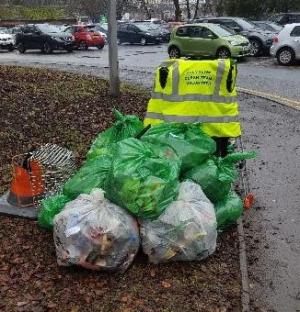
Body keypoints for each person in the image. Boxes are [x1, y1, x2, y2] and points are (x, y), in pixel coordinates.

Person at [144, 58, 241, 156]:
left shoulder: (168, 68)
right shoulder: (224, 68)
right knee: (215, 157)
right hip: (217, 129)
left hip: (177, 129)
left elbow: (158, 103)